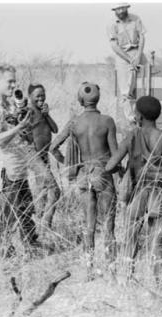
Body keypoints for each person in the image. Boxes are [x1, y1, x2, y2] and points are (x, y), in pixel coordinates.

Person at [50, 82, 119, 280]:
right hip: (102, 173)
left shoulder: (74, 122)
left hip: (83, 175)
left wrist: (69, 164)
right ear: (98, 98)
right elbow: (114, 155)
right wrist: (119, 170)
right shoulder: (107, 121)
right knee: (108, 225)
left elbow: (53, 147)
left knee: (88, 225)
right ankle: (112, 271)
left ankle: (89, 271)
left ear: (81, 100)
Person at [105, 96, 162, 288]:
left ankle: (125, 283)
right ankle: (160, 286)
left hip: (138, 193)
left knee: (129, 239)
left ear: (140, 117)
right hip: (158, 194)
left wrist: (123, 171)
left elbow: (110, 165)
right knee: (157, 244)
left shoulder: (132, 136)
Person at [0, 65, 40, 257]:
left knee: (25, 212)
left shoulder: (8, 105)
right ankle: (5, 256)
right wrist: (18, 128)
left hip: (18, 168)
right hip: (5, 170)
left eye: (14, 81)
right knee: (7, 217)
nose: (14, 84)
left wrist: (24, 124)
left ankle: (29, 250)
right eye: (9, 81)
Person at [26, 84, 64, 230]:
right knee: (55, 189)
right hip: (35, 157)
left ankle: (40, 224)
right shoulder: (28, 112)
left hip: (43, 156)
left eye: (43, 95)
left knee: (42, 190)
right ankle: (45, 224)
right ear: (30, 97)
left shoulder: (42, 112)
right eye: (37, 96)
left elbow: (55, 129)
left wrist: (47, 114)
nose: (41, 98)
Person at [108, 2, 147, 123]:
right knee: (126, 91)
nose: (120, 12)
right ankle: (131, 120)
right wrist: (130, 59)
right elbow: (114, 46)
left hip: (137, 52)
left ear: (126, 8)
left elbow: (142, 38)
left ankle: (145, 115)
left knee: (145, 84)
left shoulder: (136, 19)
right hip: (123, 56)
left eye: (122, 9)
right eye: (117, 10)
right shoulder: (112, 24)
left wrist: (138, 56)